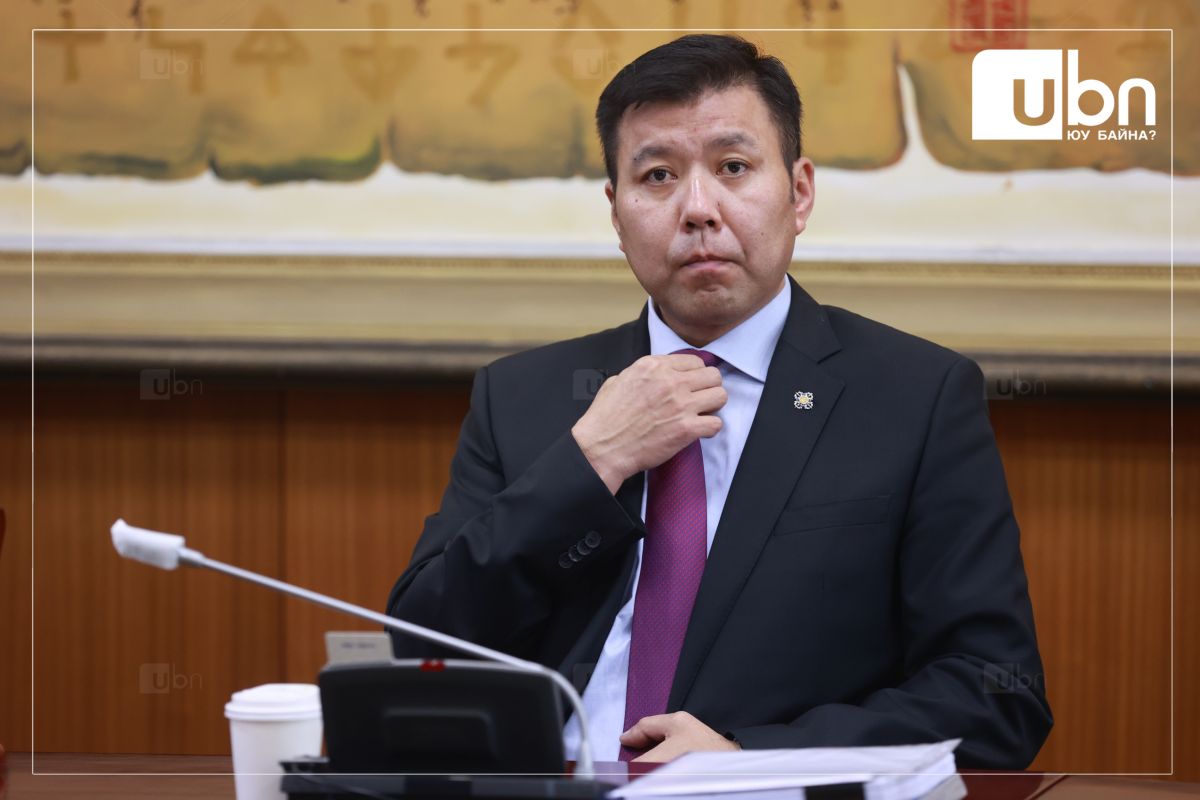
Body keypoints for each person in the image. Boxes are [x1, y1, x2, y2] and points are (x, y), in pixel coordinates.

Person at [387, 34, 1052, 767]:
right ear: (616, 214)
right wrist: (590, 463)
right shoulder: (522, 396)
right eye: (658, 176)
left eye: (733, 167)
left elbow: (996, 694)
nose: (698, 208)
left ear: (799, 193)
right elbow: (421, 649)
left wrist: (750, 758)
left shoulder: (915, 397)